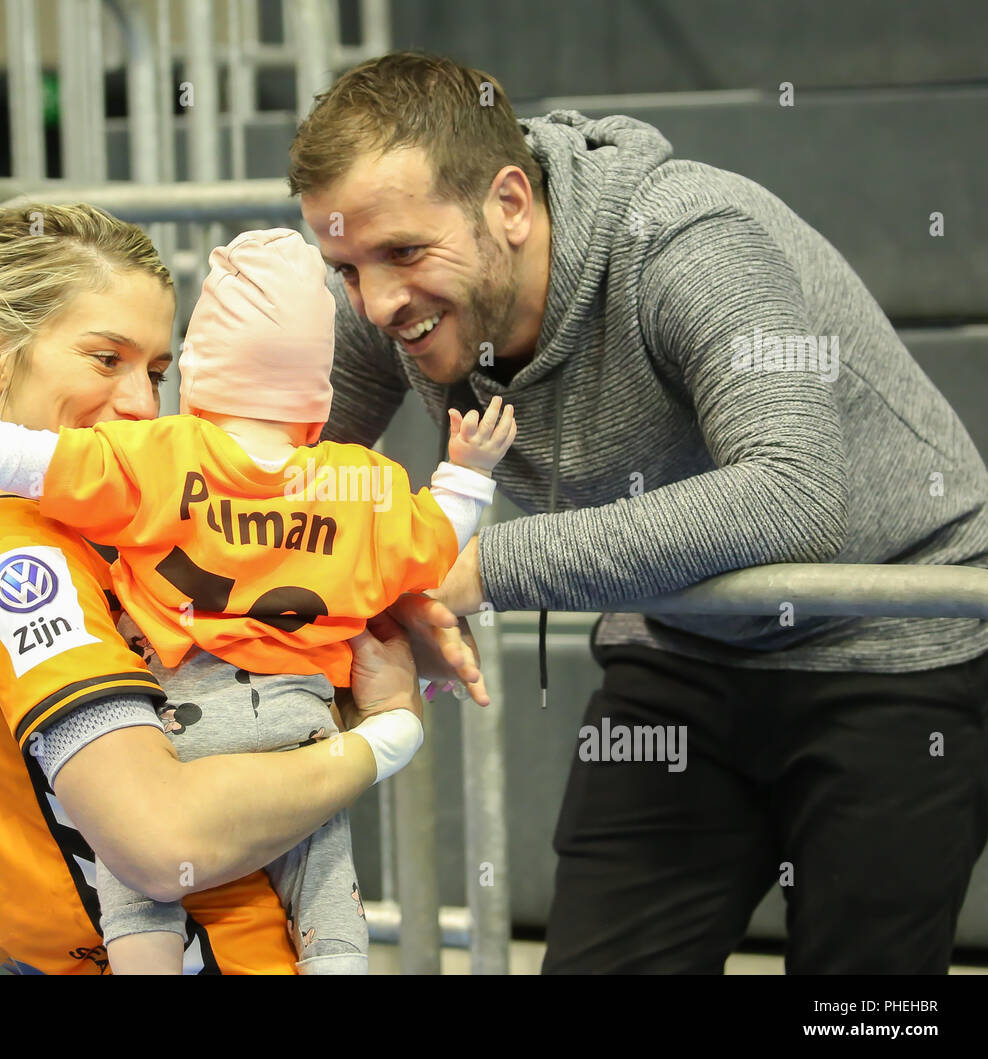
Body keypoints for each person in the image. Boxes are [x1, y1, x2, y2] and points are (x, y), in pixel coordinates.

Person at [290, 51, 988, 974]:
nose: (377, 301)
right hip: (684, 650)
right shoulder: (394, 304)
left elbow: (794, 494)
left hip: (897, 640)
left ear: (509, 203)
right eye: (344, 265)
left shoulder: (690, 242)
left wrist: (477, 570)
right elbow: (276, 480)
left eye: (405, 254)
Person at [0, 225, 516, 974]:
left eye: (156, 370)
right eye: (106, 359)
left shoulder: (99, 529)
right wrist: (385, 738)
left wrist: (381, 603)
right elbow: (164, 841)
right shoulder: (20, 556)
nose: (138, 404)